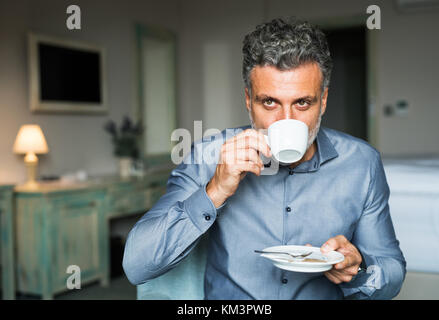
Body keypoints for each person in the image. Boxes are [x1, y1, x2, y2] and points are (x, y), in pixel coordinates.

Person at [123, 18, 406, 299]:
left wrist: (359, 269)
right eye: (269, 102)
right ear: (249, 100)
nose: (286, 120)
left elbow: (392, 270)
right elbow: (137, 265)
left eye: (302, 103)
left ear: (324, 100)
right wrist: (215, 190)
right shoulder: (209, 155)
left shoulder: (361, 163)